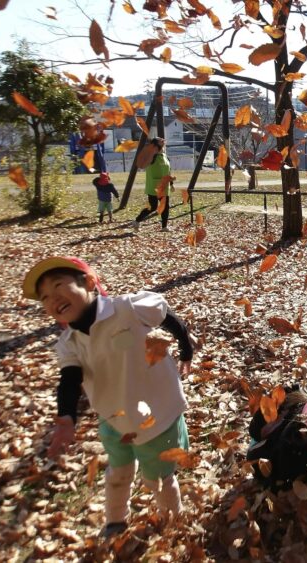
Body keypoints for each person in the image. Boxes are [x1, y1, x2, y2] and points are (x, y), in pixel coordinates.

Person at [23, 256, 196, 538]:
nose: (52, 298)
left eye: (58, 286)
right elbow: (69, 381)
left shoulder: (127, 309)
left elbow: (167, 317)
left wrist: (186, 350)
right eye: (44, 297)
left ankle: (174, 522)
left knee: (158, 480)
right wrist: (66, 419)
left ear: (89, 283)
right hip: (114, 420)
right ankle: (115, 521)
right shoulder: (69, 344)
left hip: (157, 416)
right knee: (118, 472)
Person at [132, 137, 173, 232]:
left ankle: (164, 227)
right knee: (153, 207)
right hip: (154, 186)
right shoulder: (152, 156)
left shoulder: (164, 156)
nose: (163, 140)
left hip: (164, 186)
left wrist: (171, 183)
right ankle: (137, 221)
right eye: (160, 140)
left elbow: (168, 171)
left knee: (165, 206)